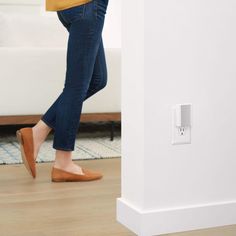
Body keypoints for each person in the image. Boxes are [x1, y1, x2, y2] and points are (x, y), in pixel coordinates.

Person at [16, 0, 109, 182]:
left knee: (97, 79)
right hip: (87, 5)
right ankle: (63, 163)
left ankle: (36, 133)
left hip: (69, 6)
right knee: (77, 85)